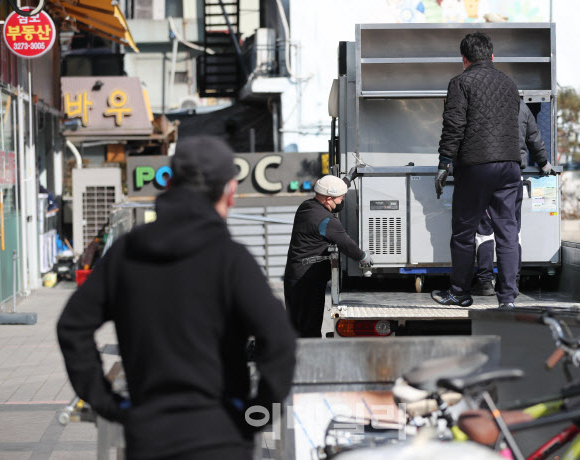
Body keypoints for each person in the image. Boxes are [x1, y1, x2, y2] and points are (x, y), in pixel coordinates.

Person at [57, 136, 297, 460]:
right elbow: (280, 340)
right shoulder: (231, 259)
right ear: (229, 191)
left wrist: (108, 404)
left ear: (169, 184)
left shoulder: (125, 253)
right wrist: (260, 414)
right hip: (222, 436)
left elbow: (72, 326)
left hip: (149, 436)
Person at [432, 32, 522, 309]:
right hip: (510, 165)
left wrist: (445, 162)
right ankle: (507, 299)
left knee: (464, 231)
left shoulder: (461, 82)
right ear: (492, 56)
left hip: (477, 166)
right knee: (508, 231)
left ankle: (460, 292)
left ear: (464, 59)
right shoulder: (509, 83)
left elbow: (454, 124)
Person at [473, 100, 556, 295]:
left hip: (483, 173)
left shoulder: (480, 104)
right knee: (512, 230)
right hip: (512, 175)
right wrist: (544, 163)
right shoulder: (521, 106)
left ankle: (485, 282)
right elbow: (534, 137)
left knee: (484, 230)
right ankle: (511, 282)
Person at [284, 170, 372, 337]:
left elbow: (332, 190)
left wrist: (347, 179)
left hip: (296, 277)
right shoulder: (326, 221)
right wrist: (363, 257)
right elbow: (346, 244)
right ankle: (309, 360)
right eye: (341, 198)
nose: (342, 201)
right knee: (308, 329)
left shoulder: (306, 206)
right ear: (329, 199)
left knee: (296, 326)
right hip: (307, 283)